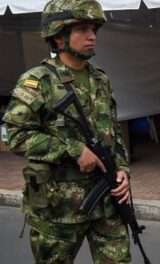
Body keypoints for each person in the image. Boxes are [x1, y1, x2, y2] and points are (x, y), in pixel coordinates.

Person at [2, 1, 132, 262]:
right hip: (58, 208)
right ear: (59, 37)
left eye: (93, 28)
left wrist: (123, 171)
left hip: (106, 201)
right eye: (83, 28)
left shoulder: (100, 79)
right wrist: (72, 149)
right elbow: (16, 135)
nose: (92, 35)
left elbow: (113, 133)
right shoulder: (38, 81)